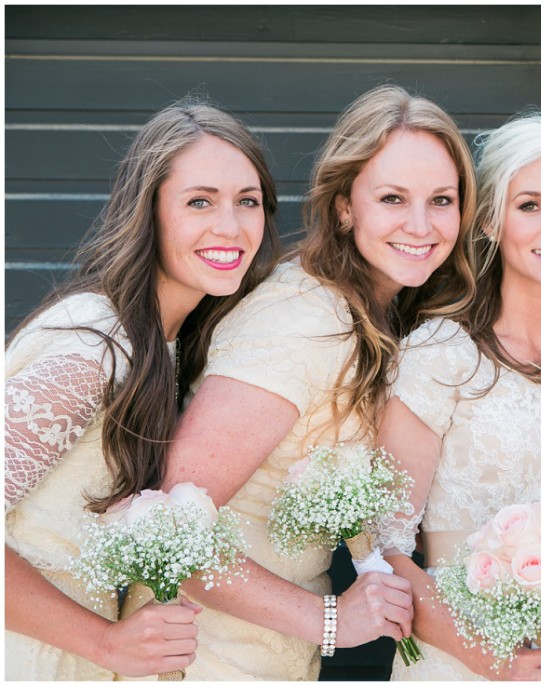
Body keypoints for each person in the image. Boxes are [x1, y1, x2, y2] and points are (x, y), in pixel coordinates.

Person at [119, 85, 478, 680]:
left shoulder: (375, 314)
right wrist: (331, 619)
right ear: (343, 207)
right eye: (392, 197)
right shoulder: (300, 321)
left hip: (273, 656)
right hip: (203, 656)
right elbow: (168, 532)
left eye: (441, 199)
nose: (421, 224)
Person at [5, 98, 280, 680]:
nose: (230, 226)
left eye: (247, 202)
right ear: (148, 210)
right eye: (199, 201)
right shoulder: (95, 345)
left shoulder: (178, 342)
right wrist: (105, 643)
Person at [376, 112, 541, 681]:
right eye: (530, 205)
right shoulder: (440, 352)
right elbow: (385, 549)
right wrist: (493, 660)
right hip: (462, 661)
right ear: (489, 220)